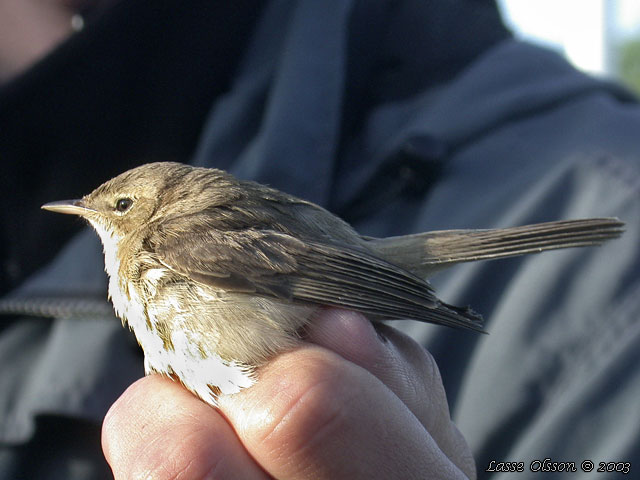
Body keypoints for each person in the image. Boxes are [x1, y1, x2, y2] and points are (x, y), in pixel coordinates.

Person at [1, 1, 638, 479]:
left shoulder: (176, 238)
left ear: (148, 210)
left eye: (116, 208)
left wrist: (422, 306)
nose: (101, 217)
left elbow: (306, 271)